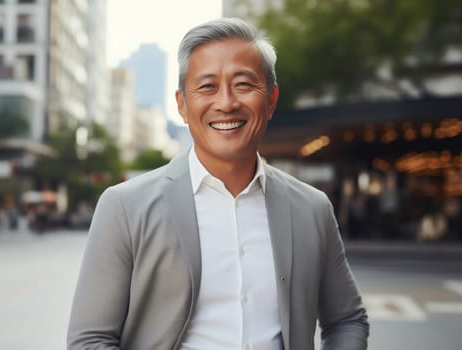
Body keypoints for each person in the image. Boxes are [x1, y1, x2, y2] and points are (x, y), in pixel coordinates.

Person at [68, 18, 368, 350]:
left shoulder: (312, 208)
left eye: (243, 84)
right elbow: (90, 341)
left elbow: (347, 320)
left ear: (270, 100)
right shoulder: (125, 207)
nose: (226, 103)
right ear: (182, 104)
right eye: (207, 86)